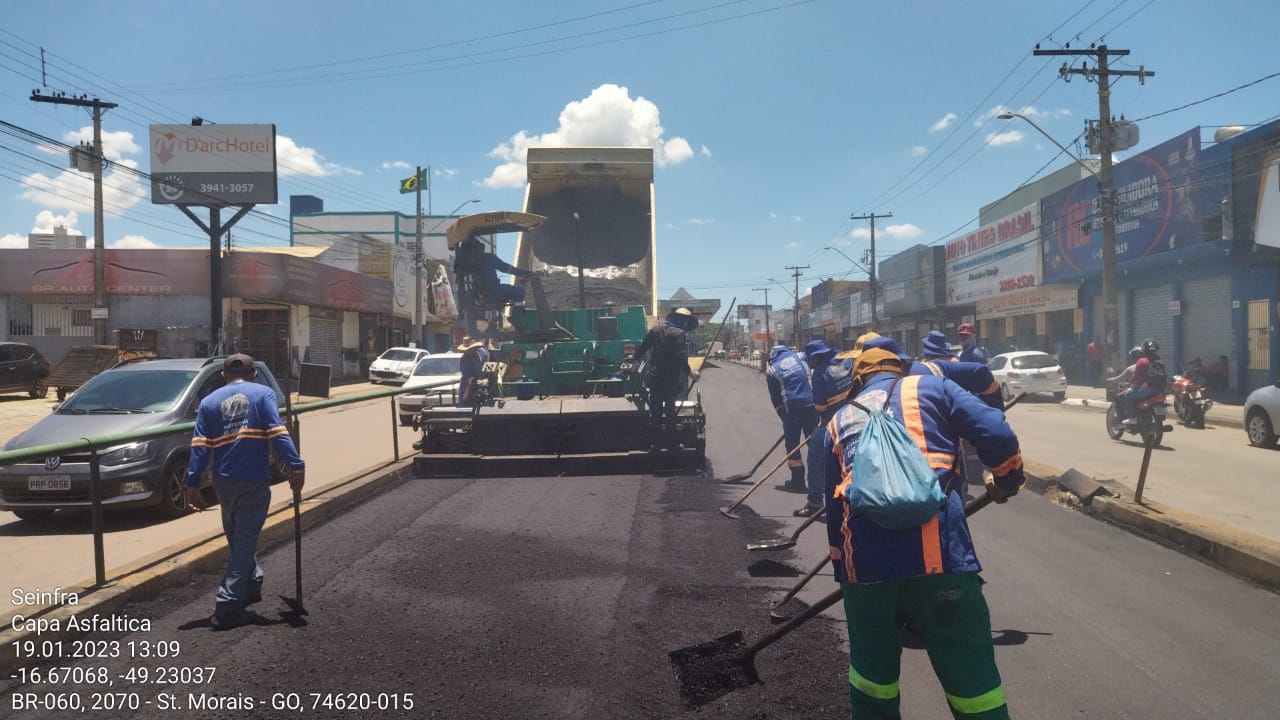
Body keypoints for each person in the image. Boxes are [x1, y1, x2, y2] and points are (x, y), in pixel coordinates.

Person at [823, 347, 1024, 719]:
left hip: (866, 572)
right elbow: (996, 428)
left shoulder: (838, 421)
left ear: (857, 382)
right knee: (974, 684)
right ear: (900, 369)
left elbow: (835, 515)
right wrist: (1009, 476)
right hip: (941, 562)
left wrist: (845, 576)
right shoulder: (934, 389)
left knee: (873, 681)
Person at [185, 354, 306, 630]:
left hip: (223, 482)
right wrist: (296, 465)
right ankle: (227, 607)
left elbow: (200, 445)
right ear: (253, 374)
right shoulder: (263, 394)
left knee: (238, 537)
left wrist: (192, 483)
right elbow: (278, 432)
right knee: (243, 543)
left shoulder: (209, 402)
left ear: (224, 376)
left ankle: (251, 585)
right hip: (253, 479)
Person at [798, 339, 852, 516]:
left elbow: (820, 407)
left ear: (815, 358)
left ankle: (814, 502)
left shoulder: (820, 373)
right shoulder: (848, 360)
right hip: (857, 416)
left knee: (815, 455)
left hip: (833, 421)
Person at [636, 308, 698, 444]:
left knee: (656, 412)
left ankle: (656, 444)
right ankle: (672, 445)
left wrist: (634, 358)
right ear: (684, 321)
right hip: (670, 379)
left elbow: (643, 347)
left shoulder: (656, 330)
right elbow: (680, 358)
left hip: (655, 377)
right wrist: (691, 373)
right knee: (670, 412)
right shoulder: (679, 334)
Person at [766, 344, 818, 494]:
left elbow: (777, 403)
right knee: (813, 441)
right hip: (811, 402)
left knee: (792, 443)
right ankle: (821, 479)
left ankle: (798, 481)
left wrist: (787, 422)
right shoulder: (801, 356)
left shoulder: (773, 370)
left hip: (791, 406)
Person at [455, 236, 532, 327]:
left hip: (480, 294)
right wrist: (522, 273)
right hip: (494, 290)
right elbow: (506, 268)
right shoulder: (489, 258)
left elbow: (460, 279)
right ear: (480, 248)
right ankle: (515, 318)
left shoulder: (467, 264)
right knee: (519, 292)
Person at [1120, 339, 1164, 427]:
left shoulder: (1142, 361)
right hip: (1158, 391)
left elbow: (1135, 377)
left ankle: (1133, 418)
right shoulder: (1159, 362)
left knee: (1128, 395)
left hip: (1146, 390)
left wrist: (1129, 382)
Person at [456, 336, 489, 408]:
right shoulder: (464, 359)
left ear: (474, 348)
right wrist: (476, 381)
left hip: (483, 385)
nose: (467, 351)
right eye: (466, 350)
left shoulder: (483, 353)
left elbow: (487, 366)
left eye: (469, 349)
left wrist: (486, 378)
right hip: (468, 386)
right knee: (465, 408)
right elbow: (466, 375)